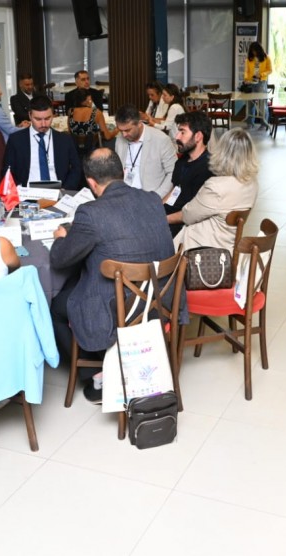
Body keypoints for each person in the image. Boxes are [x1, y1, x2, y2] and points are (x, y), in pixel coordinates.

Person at [48, 148, 176, 402]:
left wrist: (61, 238)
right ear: (123, 172)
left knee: (56, 307)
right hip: (160, 301)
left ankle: (95, 375)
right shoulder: (153, 200)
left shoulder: (90, 213)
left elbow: (60, 259)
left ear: (91, 183)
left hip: (118, 309)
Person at [172, 128, 259, 251]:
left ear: (222, 152)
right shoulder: (252, 184)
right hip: (228, 245)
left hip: (201, 248)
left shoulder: (216, 187)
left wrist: (162, 219)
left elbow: (187, 216)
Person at [4, 95, 82, 188]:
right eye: (38, 119)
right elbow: (7, 171)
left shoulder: (65, 140)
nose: (43, 124)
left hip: (59, 190)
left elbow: (76, 168)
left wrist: (65, 189)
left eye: (47, 118)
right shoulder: (16, 140)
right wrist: (19, 189)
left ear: (53, 115)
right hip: (26, 191)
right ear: (30, 115)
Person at [164, 111, 214, 234]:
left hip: (185, 226)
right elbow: (175, 190)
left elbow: (195, 213)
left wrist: (161, 220)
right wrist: (155, 209)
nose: (177, 137)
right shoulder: (182, 161)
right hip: (168, 217)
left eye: (183, 132)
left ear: (198, 136)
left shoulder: (208, 168)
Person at [113, 104, 177, 198]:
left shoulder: (161, 140)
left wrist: (157, 197)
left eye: (127, 130)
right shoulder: (120, 139)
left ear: (139, 123)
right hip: (124, 194)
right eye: (120, 130)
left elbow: (173, 172)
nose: (124, 135)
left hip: (149, 195)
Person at [66, 87, 117, 152]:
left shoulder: (71, 112)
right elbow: (107, 136)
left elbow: (70, 132)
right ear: (87, 100)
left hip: (75, 150)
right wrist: (117, 130)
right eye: (90, 100)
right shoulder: (96, 113)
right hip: (93, 150)